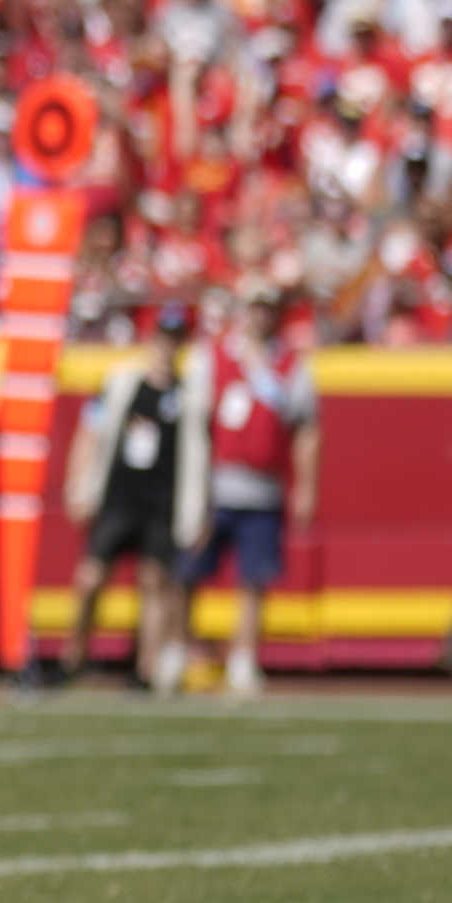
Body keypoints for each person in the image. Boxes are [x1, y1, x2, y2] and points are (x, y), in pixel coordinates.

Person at [164, 285, 318, 698]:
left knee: (253, 581)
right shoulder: (212, 357)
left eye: (268, 308)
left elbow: (304, 428)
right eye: (254, 307)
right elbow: (195, 427)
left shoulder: (288, 363)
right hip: (213, 486)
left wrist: (304, 486)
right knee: (187, 573)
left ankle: (243, 659)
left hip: (263, 487)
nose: (260, 317)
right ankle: (177, 651)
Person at [62, 306, 192, 688]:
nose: (167, 346)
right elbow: (90, 430)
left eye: (175, 338)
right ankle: (75, 656)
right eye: (163, 337)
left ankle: (145, 669)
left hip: (161, 502)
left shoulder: (186, 393)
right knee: (90, 577)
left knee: (154, 582)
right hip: (119, 497)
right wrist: (79, 484)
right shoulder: (122, 383)